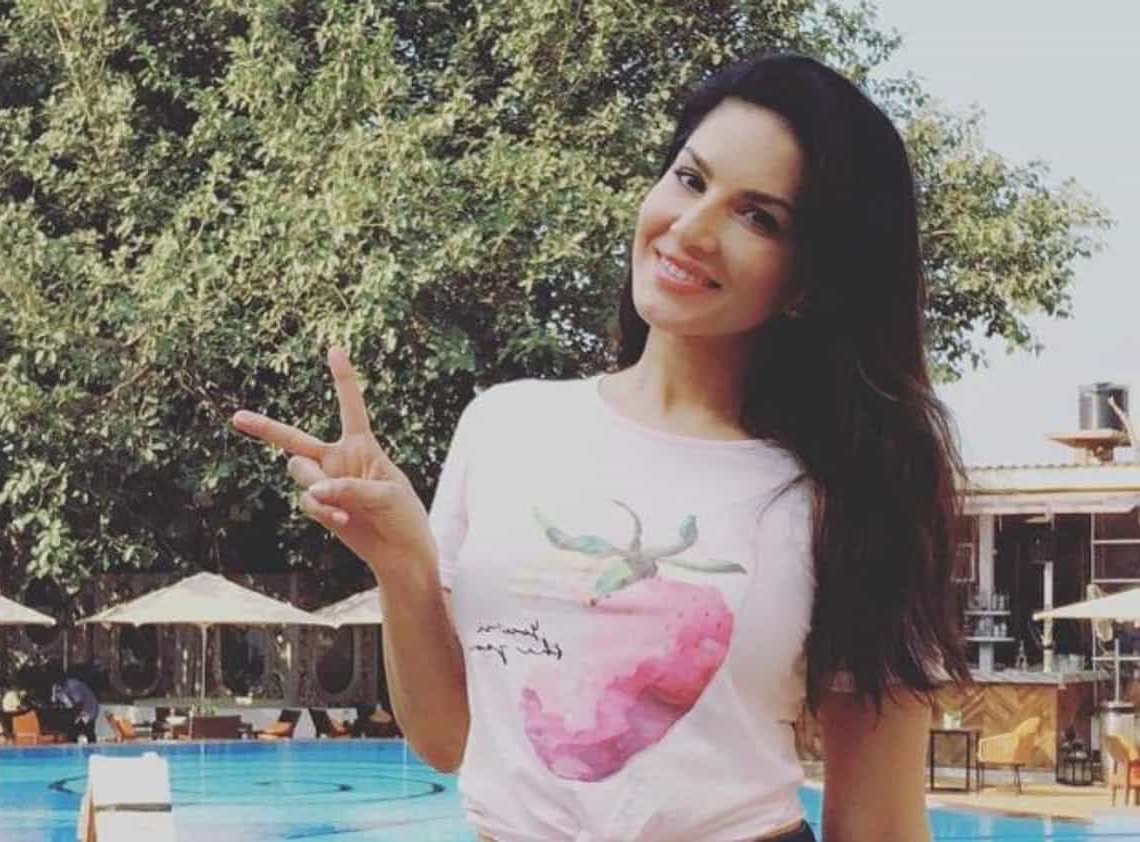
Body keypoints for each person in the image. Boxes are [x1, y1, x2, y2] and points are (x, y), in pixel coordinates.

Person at [234, 52, 968, 842]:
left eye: (757, 217)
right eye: (690, 179)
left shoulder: (847, 491)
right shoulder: (506, 425)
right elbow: (448, 740)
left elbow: (880, 822)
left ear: (808, 282)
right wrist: (403, 564)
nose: (692, 230)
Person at [52, 675, 99, 743]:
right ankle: (90, 743)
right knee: (84, 731)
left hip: (89, 709)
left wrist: (76, 718)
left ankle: (90, 743)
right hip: (86, 708)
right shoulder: (63, 687)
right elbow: (59, 701)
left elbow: (78, 704)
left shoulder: (73, 687)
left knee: (76, 732)